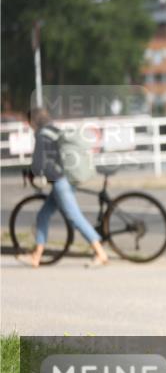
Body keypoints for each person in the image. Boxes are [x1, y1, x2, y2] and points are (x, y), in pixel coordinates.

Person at [16, 107, 110, 268]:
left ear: (33, 121)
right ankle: (36, 256)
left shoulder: (42, 135)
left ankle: (100, 253)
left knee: (75, 217)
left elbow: (39, 164)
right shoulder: (54, 130)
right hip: (65, 179)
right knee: (43, 215)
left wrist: (30, 173)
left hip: (60, 182)